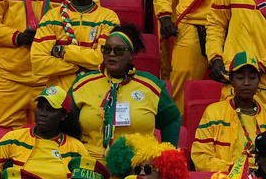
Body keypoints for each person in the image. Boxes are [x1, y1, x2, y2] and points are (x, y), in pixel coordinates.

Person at [69, 25, 182, 154]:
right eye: (107, 49)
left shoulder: (152, 86)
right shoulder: (83, 83)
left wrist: (167, 155)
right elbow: (66, 118)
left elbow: (172, 119)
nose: (111, 54)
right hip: (91, 162)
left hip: (138, 164)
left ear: (131, 55)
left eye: (119, 50)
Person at [32, 0, 120, 90]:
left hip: (95, 92)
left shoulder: (109, 18)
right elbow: (38, 63)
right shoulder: (51, 17)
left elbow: (104, 59)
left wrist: (63, 51)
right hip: (59, 95)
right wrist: (79, 64)